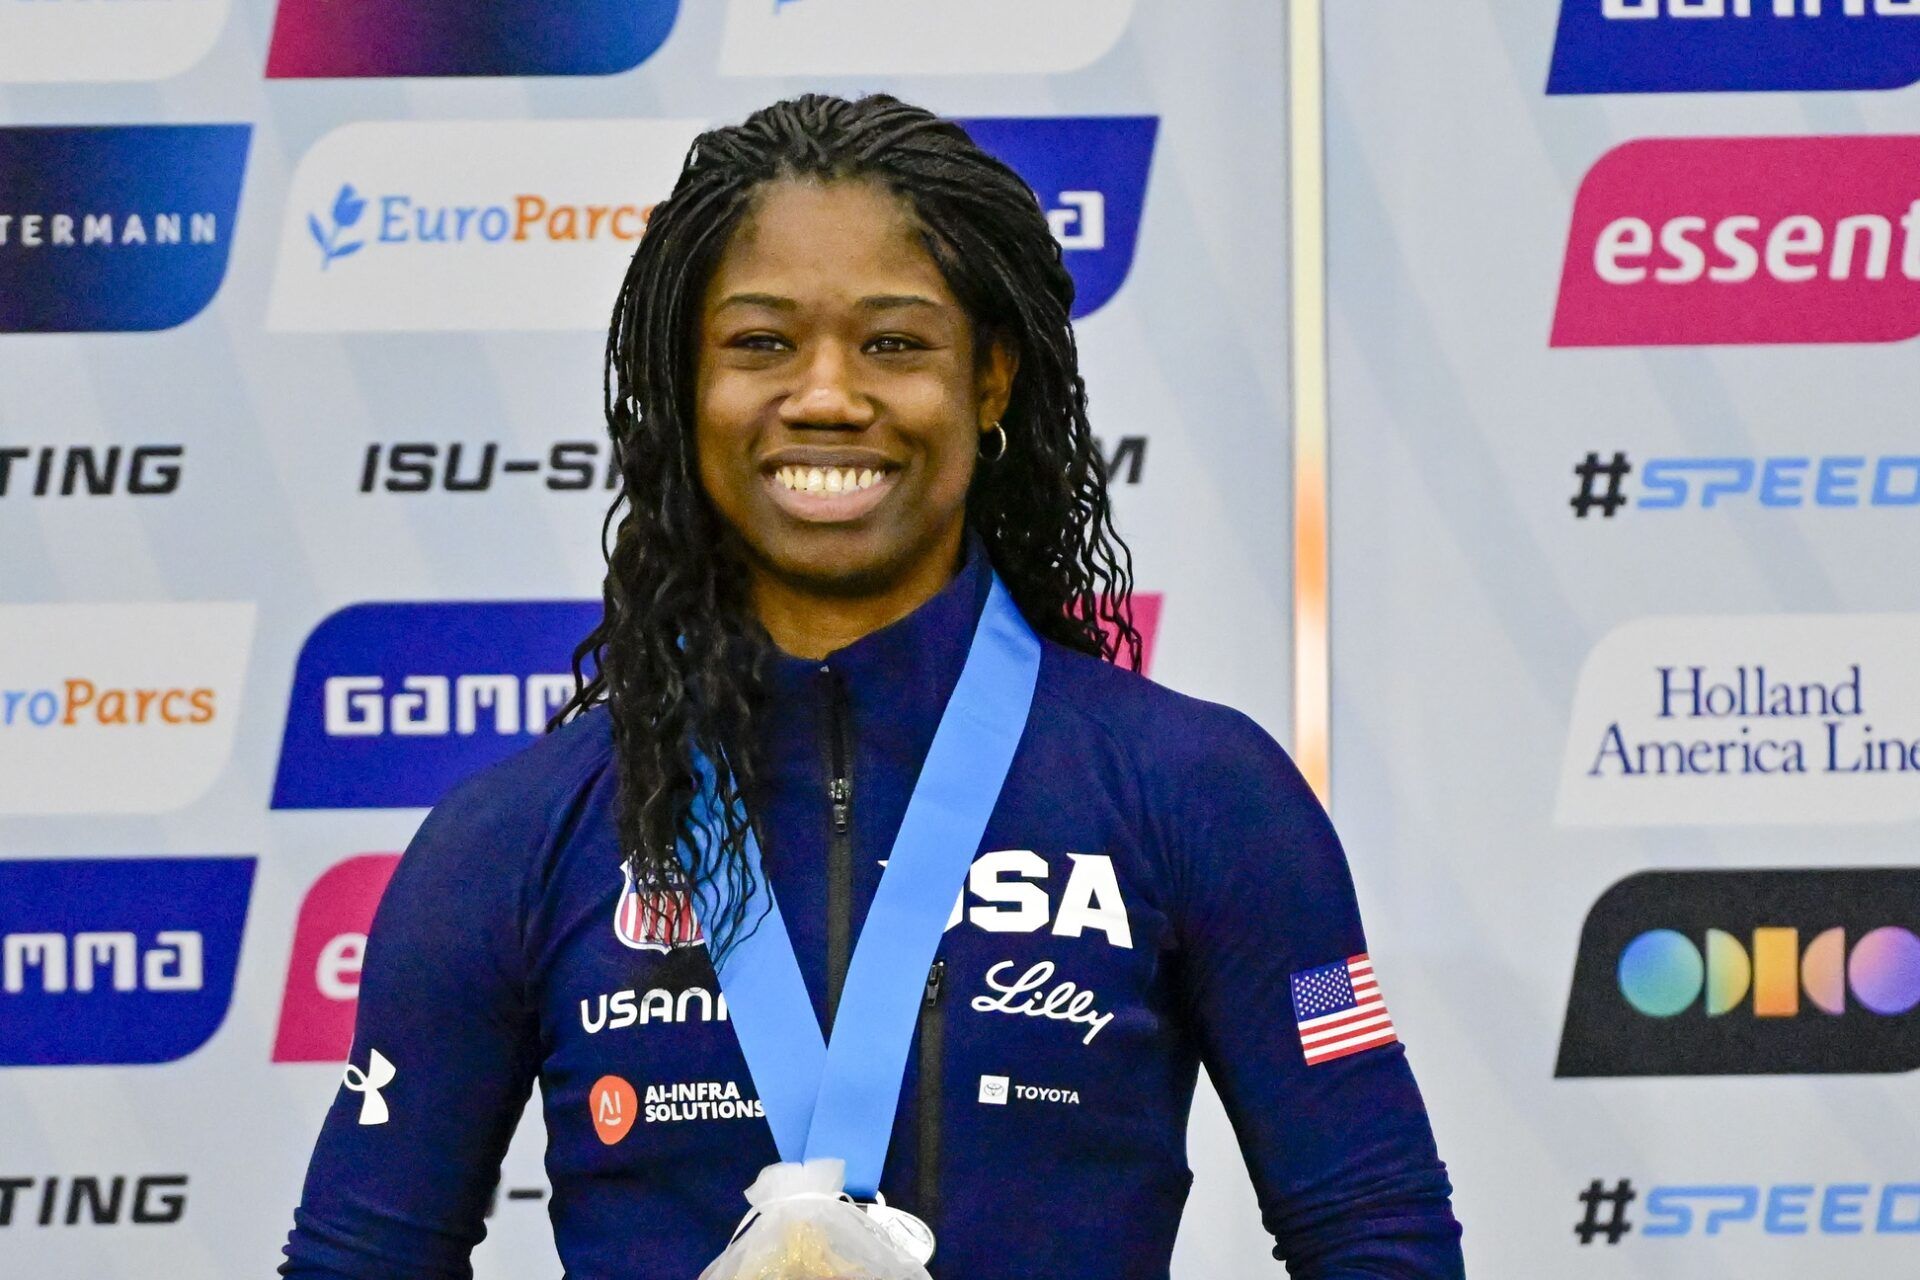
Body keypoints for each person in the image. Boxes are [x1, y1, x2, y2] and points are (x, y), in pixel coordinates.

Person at [281, 93, 1464, 1279]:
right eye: (761, 343)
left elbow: (1380, 1236)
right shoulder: (519, 835)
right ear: (686, 386)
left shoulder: (1200, 792)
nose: (827, 394)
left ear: (991, 379)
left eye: (894, 344)